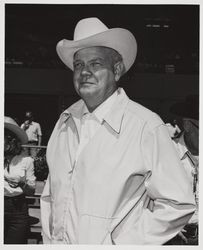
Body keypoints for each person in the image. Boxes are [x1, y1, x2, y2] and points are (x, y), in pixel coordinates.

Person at [40, 17, 195, 244]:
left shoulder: (146, 126)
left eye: (95, 64)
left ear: (117, 70)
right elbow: (50, 197)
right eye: (79, 65)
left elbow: (178, 203)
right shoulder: (64, 123)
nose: (84, 72)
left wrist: (122, 245)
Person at [166, 95, 199, 245]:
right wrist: (167, 224)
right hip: (174, 237)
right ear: (187, 125)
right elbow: (146, 197)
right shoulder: (166, 153)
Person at [4, 116, 36, 244]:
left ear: (11, 141)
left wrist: (21, 184)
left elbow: (31, 192)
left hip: (17, 210)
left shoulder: (26, 161)